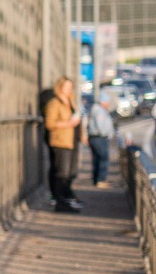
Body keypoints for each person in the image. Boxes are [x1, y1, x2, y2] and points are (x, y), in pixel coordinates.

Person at [43, 78, 84, 213]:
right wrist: (69, 124)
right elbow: (49, 124)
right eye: (66, 87)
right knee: (62, 173)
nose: (69, 90)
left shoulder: (70, 102)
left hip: (72, 141)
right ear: (59, 87)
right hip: (61, 141)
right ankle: (60, 202)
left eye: (71, 87)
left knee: (70, 172)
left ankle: (67, 198)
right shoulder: (54, 103)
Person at [85, 90, 116, 189]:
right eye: (107, 102)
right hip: (99, 137)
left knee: (97, 159)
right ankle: (101, 180)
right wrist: (107, 134)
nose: (108, 104)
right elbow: (100, 125)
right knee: (103, 158)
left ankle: (97, 179)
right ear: (103, 101)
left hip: (96, 137)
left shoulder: (97, 109)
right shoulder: (99, 110)